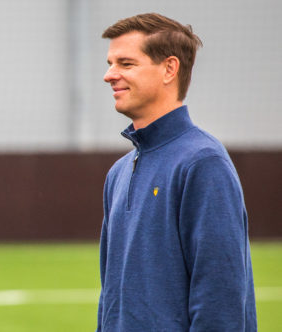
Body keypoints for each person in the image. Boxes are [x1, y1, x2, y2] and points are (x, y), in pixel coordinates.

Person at [97, 13, 256, 331]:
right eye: (110, 63)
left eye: (125, 64)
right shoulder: (118, 173)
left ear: (169, 68)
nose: (109, 75)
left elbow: (221, 302)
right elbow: (110, 300)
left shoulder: (203, 163)